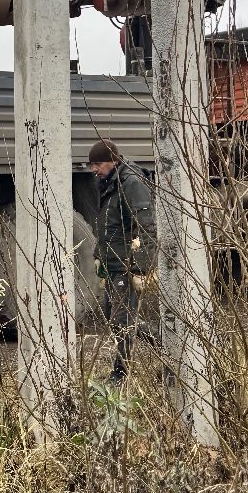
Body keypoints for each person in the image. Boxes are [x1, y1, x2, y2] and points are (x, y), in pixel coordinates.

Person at [89, 139, 160, 384]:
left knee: (122, 320)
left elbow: (148, 228)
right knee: (115, 315)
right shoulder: (106, 183)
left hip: (126, 264)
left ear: (113, 161)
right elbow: (106, 224)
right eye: (92, 165)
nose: (94, 169)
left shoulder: (131, 183)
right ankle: (165, 341)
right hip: (111, 262)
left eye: (98, 164)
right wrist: (99, 255)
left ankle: (120, 374)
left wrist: (141, 268)